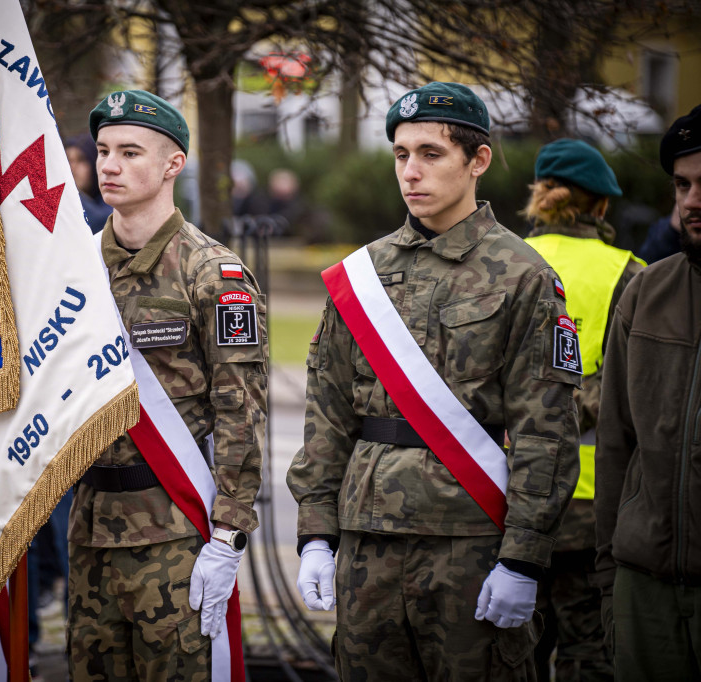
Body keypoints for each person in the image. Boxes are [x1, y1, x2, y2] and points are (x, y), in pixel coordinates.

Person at [287, 82, 582, 680]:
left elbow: (545, 428)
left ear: (478, 160)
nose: (411, 171)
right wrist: (316, 532)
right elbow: (327, 412)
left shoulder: (523, 276)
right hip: (366, 542)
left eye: (430, 153)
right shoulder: (363, 275)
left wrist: (523, 558)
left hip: (469, 544)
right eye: (401, 154)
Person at [67, 90, 268, 680]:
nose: (109, 165)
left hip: (176, 530)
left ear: (172, 164)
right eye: (104, 151)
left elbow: (240, 409)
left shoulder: (213, 273)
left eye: (131, 152)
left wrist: (228, 533)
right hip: (89, 524)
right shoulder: (74, 271)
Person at [522, 138, 644, 681]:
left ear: (539, 196)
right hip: (593, 500)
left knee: (513, 648)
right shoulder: (633, 274)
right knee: (589, 647)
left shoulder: (501, 261)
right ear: (601, 206)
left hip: (508, 492)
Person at [595, 103, 701, 681]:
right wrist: (611, 579)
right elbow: (616, 439)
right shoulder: (646, 292)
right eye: (682, 185)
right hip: (645, 588)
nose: (691, 201)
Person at [64, 132, 111, 233]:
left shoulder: (114, 202)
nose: (72, 168)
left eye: (81, 160)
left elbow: (100, 220)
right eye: (67, 160)